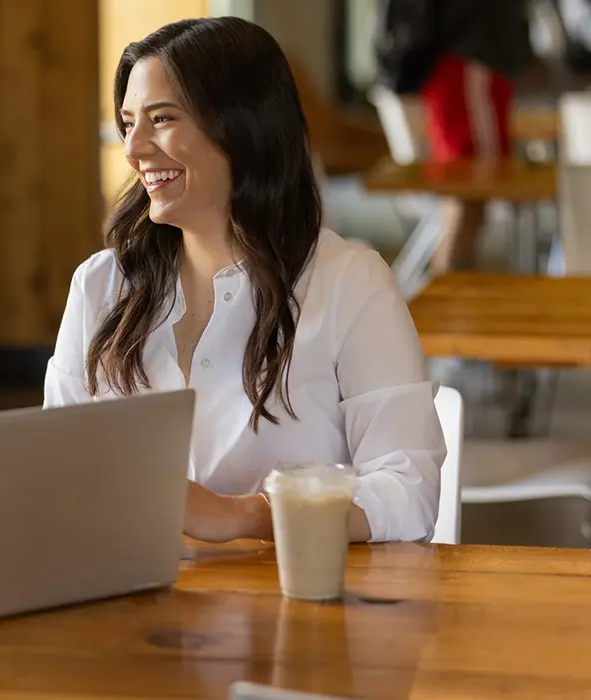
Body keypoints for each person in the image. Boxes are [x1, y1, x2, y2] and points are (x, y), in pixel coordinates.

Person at [44, 18, 445, 545]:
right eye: (127, 123)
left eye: (161, 119)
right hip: (129, 607)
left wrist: (249, 516)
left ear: (242, 128)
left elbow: (408, 489)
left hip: (300, 608)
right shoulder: (98, 287)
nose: (133, 148)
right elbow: (52, 480)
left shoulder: (351, 283)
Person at [374, 0, 533, 272]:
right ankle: (453, 300)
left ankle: (456, 297)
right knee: (470, 191)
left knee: (469, 197)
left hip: (468, 56)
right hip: (469, 55)